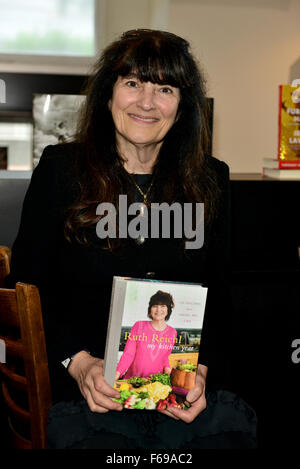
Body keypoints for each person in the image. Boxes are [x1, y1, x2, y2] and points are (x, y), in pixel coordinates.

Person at [6, 29, 257, 449]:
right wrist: (79, 362)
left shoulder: (211, 179)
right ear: (108, 95)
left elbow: (221, 296)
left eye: (164, 87)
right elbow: (26, 289)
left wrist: (202, 372)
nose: (146, 102)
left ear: (182, 106)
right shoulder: (61, 170)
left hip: (177, 394)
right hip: (89, 393)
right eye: (133, 83)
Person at [116, 290, 177, 380]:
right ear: (150, 309)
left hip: (154, 383)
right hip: (133, 381)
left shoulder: (172, 332)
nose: (158, 310)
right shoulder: (139, 326)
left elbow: (164, 357)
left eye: (163, 306)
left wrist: (168, 370)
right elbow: (128, 354)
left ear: (168, 310)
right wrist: (117, 373)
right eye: (155, 306)